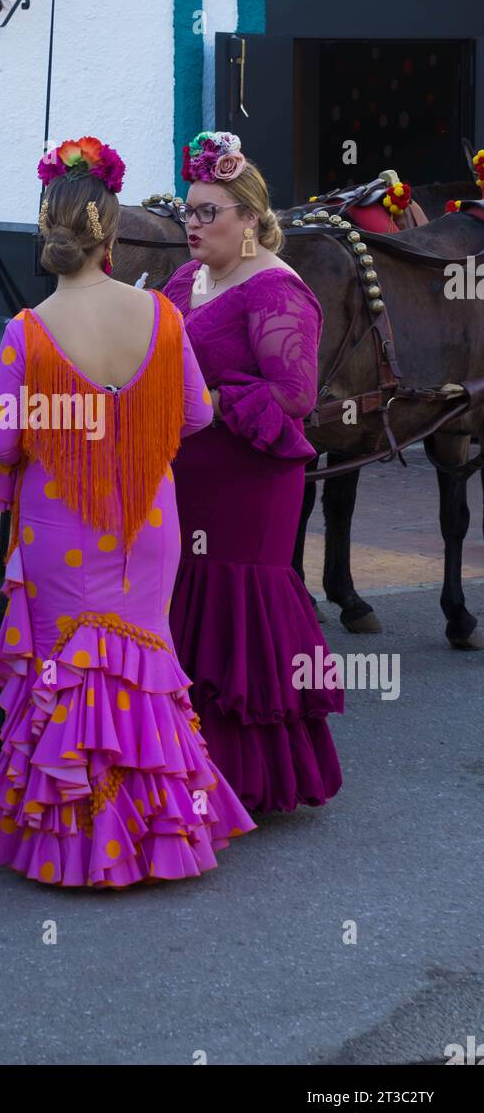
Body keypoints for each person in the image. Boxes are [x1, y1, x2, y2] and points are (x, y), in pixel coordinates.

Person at [0, 136, 256, 887]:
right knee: (145, 673)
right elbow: (194, 416)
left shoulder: (27, 333)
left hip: (59, 524)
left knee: (69, 674)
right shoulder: (160, 316)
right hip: (146, 521)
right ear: (111, 233)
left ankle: (75, 840)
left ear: (48, 236)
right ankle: (159, 832)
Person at [163, 131, 343, 814]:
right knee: (190, 605)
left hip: (249, 479)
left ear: (249, 219)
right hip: (188, 476)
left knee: (238, 610)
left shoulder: (274, 287)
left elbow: (295, 394)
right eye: (189, 210)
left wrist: (209, 401)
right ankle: (188, 768)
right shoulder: (187, 279)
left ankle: (251, 780)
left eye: (209, 212)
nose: (193, 223)